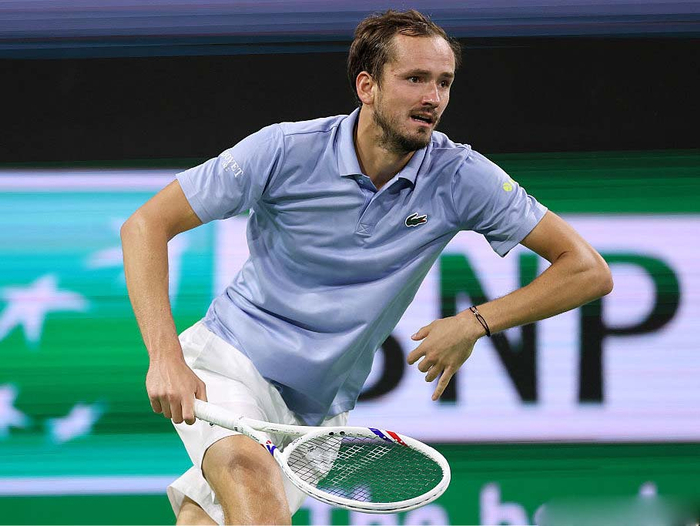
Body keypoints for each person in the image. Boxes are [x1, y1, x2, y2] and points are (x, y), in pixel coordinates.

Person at [121, 9, 613, 525]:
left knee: (207, 519)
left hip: (318, 411)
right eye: (415, 78)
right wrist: (165, 356)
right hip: (231, 362)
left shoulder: (461, 177)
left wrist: (475, 322)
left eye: (444, 82)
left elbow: (587, 270)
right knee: (255, 493)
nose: (433, 97)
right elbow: (146, 225)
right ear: (367, 86)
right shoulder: (284, 150)